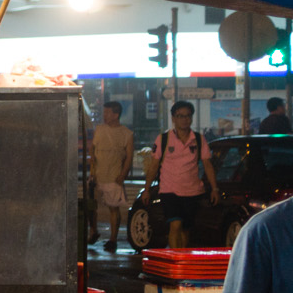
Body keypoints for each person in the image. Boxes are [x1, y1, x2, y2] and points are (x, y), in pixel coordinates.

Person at [143, 100, 221, 249]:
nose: (185, 119)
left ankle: (183, 258)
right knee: (175, 224)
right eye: (180, 116)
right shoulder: (163, 139)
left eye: (187, 116)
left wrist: (215, 189)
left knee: (185, 228)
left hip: (192, 191)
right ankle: (175, 259)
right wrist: (147, 189)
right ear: (173, 118)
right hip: (169, 190)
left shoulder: (198, 139)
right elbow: (154, 166)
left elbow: (207, 165)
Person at [89, 101, 134, 252]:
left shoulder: (126, 134)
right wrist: (92, 170)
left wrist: (123, 175)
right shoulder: (99, 130)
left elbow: (129, 157)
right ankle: (93, 231)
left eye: (108, 113)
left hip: (114, 176)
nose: (105, 115)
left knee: (113, 208)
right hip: (97, 175)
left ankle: (113, 239)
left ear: (116, 115)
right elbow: (92, 150)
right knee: (92, 207)